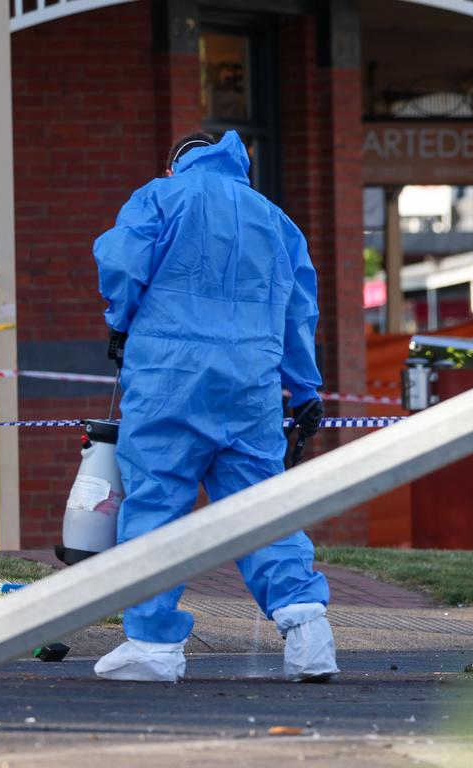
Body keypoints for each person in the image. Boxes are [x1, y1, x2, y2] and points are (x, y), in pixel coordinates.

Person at [91, 130, 338, 683]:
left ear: (178, 163)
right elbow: (299, 311)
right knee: (261, 509)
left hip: (168, 379)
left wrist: (119, 322)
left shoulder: (160, 196)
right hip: (249, 388)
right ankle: (308, 634)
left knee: (156, 507)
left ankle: (153, 648)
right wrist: (305, 390)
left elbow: (121, 264)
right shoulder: (275, 220)